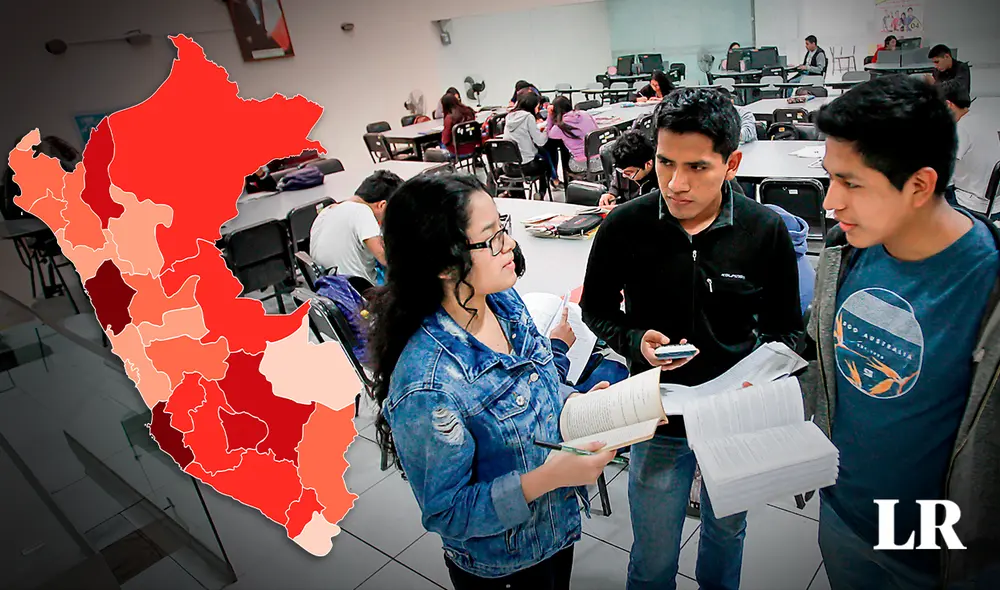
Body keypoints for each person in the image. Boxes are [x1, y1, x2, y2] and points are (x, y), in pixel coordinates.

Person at [581, 88, 803, 590]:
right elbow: (594, 309)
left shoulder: (764, 231)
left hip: (735, 415)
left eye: (698, 167)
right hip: (657, 414)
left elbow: (787, 329)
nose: (676, 184)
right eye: (664, 163)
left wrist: (762, 380)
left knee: (727, 536)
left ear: (732, 163)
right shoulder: (624, 226)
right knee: (654, 554)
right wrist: (634, 340)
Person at [368, 173, 616, 588]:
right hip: (503, 562)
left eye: (504, 229)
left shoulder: (500, 299)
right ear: (444, 264)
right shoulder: (429, 384)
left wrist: (578, 403)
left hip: (555, 528)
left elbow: (534, 384)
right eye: (493, 238)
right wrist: (551, 477)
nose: (511, 246)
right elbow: (447, 511)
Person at [801, 75, 1000, 590]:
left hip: (942, 548)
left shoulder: (988, 283)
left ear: (919, 185)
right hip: (843, 513)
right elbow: (822, 356)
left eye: (852, 183)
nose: (830, 204)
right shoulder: (845, 254)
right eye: (829, 178)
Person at [309, 170, 403, 285]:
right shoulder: (362, 211)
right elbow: (385, 258)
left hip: (330, 292)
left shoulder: (325, 212)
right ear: (382, 205)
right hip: (358, 294)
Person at [942, 87, 1000, 219]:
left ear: (948, 104)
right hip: (994, 201)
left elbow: (942, 166)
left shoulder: (961, 129)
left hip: (972, 202)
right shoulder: (984, 119)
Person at [502, 91, 550, 189]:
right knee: (546, 163)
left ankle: (517, 195)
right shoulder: (528, 117)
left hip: (508, 167)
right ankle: (541, 193)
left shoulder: (509, 116)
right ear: (532, 106)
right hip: (526, 167)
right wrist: (546, 131)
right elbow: (540, 142)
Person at [598, 130, 658, 207]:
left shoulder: (661, 175)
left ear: (648, 164)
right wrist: (611, 194)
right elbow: (616, 186)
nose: (624, 176)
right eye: (620, 171)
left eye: (629, 173)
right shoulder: (623, 167)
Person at [545, 96, 601, 174]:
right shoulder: (585, 114)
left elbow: (549, 134)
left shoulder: (561, 125)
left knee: (566, 156)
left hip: (582, 163)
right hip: (600, 160)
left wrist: (550, 115)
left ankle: (572, 182)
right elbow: (596, 129)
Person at [440, 92, 481, 159]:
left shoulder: (449, 118)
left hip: (457, 150)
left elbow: (445, 140)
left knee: (440, 144)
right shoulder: (469, 111)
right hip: (472, 147)